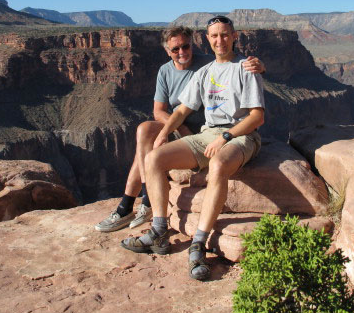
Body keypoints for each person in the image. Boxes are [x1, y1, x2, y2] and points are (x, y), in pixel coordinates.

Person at [121, 16, 265, 281]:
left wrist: (225, 136)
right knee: (153, 159)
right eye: (214, 36)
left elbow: (257, 117)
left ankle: (198, 244)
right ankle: (159, 231)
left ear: (234, 36)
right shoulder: (205, 72)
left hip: (242, 135)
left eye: (224, 35)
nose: (219, 40)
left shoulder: (246, 68)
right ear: (207, 40)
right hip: (207, 134)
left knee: (219, 164)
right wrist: (163, 133)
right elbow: (182, 109)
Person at [94, 25, 264, 232]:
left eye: (185, 46)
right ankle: (139, 202)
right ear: (168, 51)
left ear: (192, 45)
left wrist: (260, 66)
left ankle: (132, 205)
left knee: (149, 146)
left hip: (208, 129)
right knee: (145, 131)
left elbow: (232, 63)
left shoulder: (206, 62)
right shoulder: (165, 71)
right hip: (180, 127)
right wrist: (176, 129)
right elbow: (159, 111)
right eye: (175, 49)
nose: (182, 52)